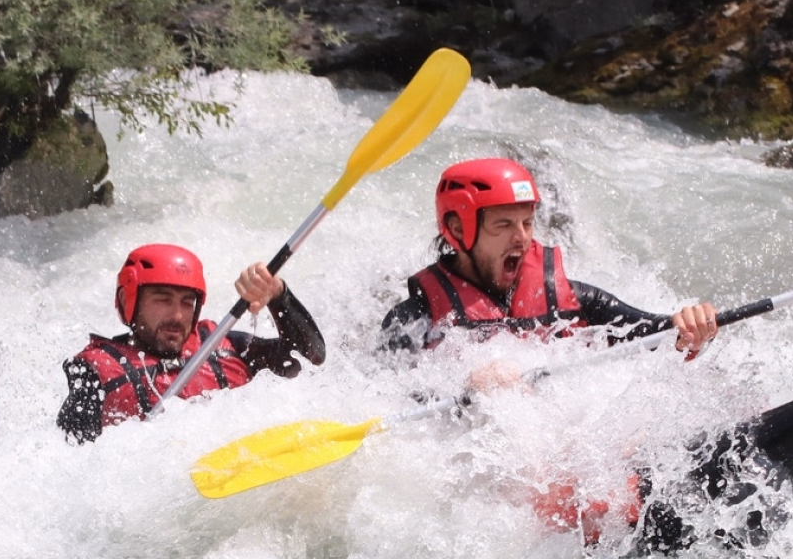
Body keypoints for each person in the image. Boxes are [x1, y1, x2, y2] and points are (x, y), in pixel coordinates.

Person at [378, 157, 719, 382]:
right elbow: (381, 399)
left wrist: (684, 326)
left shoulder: (570, 299)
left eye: (528, 222)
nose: (522, 238)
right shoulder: (415, 319)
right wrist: (465, 388)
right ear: (457, 230)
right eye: (504, 225)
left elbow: (650, 333)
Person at [58, 243, 326, 442]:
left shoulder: (225, 345)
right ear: (129, 301)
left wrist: (278, 295)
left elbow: (311, 359)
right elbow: (69, 465)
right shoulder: (95, 375)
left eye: (187, 303)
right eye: (163, 300)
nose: (177, 315)